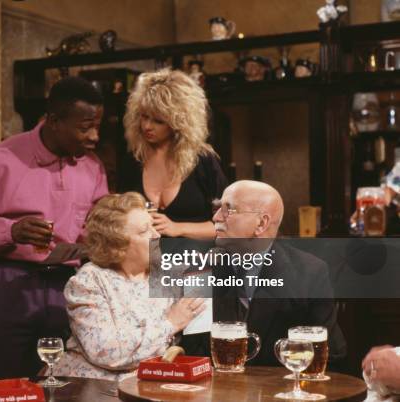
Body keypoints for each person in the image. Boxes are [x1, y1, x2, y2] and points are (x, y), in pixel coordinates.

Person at [0, 76, 108, 379]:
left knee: (64, 385)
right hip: (8, 286)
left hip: (69, 286)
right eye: (85, 127)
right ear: (54, 121)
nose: (94, 137)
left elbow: (98, 226)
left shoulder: (92, 166)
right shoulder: (2, 159)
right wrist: (10, 231)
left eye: (97, 126)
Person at [52, 192, 205, 381]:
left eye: (153, 227)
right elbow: (106, 353)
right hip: (94, 387)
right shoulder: (90, 280)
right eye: (144, 231)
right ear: (118, 245)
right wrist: (170, 324)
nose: (156, 235)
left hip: (154, 383)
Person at [206, 180, 346, 366]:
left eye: (228, 209)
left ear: (261, 224)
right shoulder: (202, 269)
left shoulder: (309, 273)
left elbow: (333, 355)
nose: (216, 217)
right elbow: (193, 349)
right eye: (217, 208)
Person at [118, 68, 227, 240]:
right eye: (144, 117)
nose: (147, 126)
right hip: (147, 261)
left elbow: (228, 227)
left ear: (179, 121)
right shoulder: (133, 160)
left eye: (158, 121)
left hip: (197, 260)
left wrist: (178, 228)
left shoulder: (202, 160)